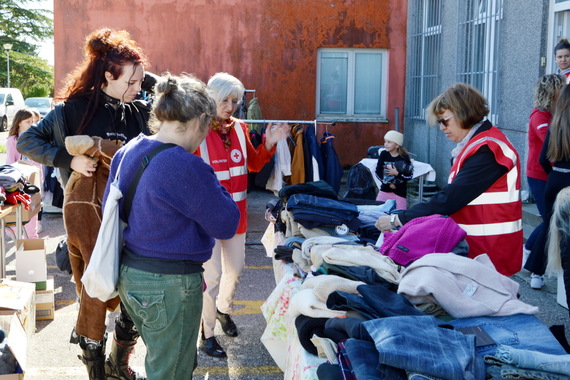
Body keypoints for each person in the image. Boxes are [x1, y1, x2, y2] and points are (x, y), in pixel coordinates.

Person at [17, 28, 157, 380]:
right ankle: (96, 370)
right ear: (109, 75)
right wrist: (68, 159)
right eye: (132, 81)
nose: (139, 88)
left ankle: (118, 364)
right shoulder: (71, 110)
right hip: (87, 217)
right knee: (93, 295)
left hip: (133, 217)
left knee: (132, 296)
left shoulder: (138, 111)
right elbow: (27, 141)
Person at [111, 73, 240, 379]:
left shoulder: (129, 150)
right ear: (200, 120)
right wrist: (213, 181)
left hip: (130, 274)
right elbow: (226, 223)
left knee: (161, 359)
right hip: (170, 284)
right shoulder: (187, 166)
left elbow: (113, 209)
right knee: (171, 371)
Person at [375, 83, 523, 277]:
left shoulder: (487, 148)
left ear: (464, 113)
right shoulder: (476, 144)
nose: (442, 128)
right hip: (479, 247)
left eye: (444, 121)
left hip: (489, 250)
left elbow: (451, 198)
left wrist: (399, 219)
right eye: (439, 122)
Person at [196, 72, 289, 358]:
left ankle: (223, 311)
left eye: (235, 101)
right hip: (207, 220)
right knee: (210, 278)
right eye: (225, 99)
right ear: (211, 98)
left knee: (234, 272)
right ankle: (208, 332)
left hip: (236, 218)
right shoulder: (196, 129)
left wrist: (270, 143)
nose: (230, 105)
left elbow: (254, 163)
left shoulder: (240, 128)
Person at [526, 84, 570, 290]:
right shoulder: (545, 120)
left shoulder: (557, 125)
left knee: (550, 225)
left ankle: (536, 272)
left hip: (555, 180)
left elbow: (543, 158)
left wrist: (554, 175)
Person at [5, 107, 43, 238]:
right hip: (19, 183)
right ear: (19, 122)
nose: (32, 124)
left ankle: (32, 241)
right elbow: (10, 162)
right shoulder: (12, 140)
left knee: (33, 212)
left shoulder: (36, 138)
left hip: (35, 179)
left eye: (33, 121)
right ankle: (17, 237)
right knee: (18, 212)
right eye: (28, 121)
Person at [374, 130, 413, 210]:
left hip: (400, 193)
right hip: (385, 191)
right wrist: (388, 183)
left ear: (397, 145)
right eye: (385, 141)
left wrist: (397, 173)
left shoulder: (404, 157)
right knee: (377, 211)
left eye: (389, 142)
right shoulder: (383, 154)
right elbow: (378, 171)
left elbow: (409, 176)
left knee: (399, 215)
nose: (385, 144)